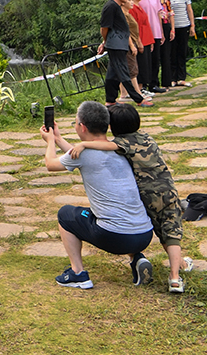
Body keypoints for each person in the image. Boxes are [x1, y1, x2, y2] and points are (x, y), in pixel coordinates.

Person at [67, 103, 191, 293]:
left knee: (157, 228)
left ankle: (154, 261)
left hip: (146, 196)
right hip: (168, 191)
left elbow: (105, 146)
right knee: (171, 231)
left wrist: (83, 143)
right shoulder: (147, 138)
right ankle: (175, 276)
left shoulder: (122, 143)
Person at [41, 101, 154, 289]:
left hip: (115, 237)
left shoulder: (86, 153)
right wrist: (59, 138)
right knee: (114, 213)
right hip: (144, 234)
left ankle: (78, 273)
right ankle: (137, 258)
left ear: (82, 127)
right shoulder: (118, 148)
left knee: (66, 214)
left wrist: (50, 141)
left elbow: (51, 164)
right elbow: (77, 156)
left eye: (75, 122)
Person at [98, 0, 151, 107]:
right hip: (115, 44)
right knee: (123, 72)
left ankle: (110, 100)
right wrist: (106, 42)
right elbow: (104, 28)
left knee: (112, 74)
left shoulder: (117, 7)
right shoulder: (110, 6)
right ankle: (138, 99)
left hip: (120, 43)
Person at [135, 0, 167, 94]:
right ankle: (142, 84)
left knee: (155, 59)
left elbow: (159, 14)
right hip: (144, 32)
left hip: (156, 31)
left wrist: (162, 31)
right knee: (144, 60)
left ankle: (154, 83)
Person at [166, 0, 196, 87]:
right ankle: (173, 78)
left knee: (182, 52)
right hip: (170, 28)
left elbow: (189, 9)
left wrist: (192, 25)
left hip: (184, 25)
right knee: (171, 53)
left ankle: (181, 78)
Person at [128, 0, 157, 96]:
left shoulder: (139, 6)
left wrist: (151, 41)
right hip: (139, 39)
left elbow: (146, 24)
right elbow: (135, 28)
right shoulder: (132, 9)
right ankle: (139, 87)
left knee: (147, 64)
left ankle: (143, 86)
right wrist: (138, 42)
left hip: (146, 38)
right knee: (140, 64)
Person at [152, 0, 175, 88]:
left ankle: (167, 82)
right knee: (154, 56)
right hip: (153, 26)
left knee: (166, 54)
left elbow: (170, 12)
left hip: (165, 25)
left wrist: (172, 29)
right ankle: (153, 83)